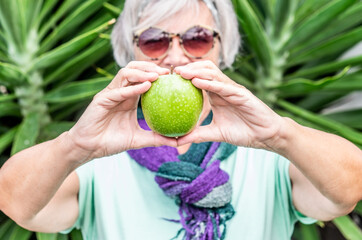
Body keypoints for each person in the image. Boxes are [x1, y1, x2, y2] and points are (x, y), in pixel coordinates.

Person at [0, 0, 361, 239]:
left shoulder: (270, 152)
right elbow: (17, 204)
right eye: (155, 41)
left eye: (197, 38)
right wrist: (75, 145)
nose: (175, 56)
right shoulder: (99, 158)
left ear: (223, 48)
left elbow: (349, 189)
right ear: (131, 53)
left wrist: (280, 134)